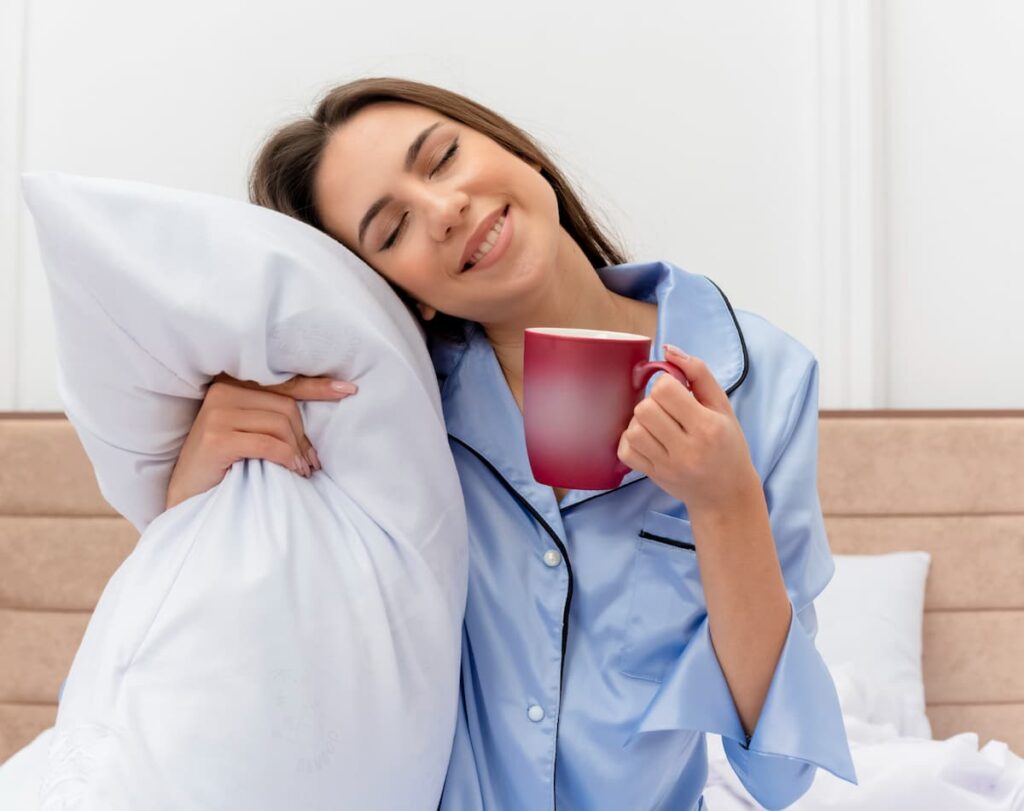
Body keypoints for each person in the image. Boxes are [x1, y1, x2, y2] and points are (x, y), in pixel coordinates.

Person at [164, 77, 857, 810]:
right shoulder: (380, 410)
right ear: (404, 293)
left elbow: (779, 774)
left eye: (443, 159)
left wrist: (725, 504)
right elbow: (245, 641)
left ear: (524, 156)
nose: (444, 209)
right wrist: (196, 488)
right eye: (391, 230)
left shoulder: (762, 377)